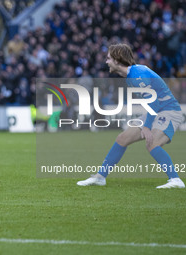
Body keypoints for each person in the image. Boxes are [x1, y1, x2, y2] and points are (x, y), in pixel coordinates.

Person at [77, 43, 185, 189]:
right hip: (158, 110)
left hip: (169, 111)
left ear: (117, 59)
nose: (106, 61)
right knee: (122, 138)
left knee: (152, 143)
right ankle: (100, 177)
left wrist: (147, 127)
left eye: (108, 58)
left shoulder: (137, 75)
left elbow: (153, 101)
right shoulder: (132, 75)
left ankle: (176, 180)